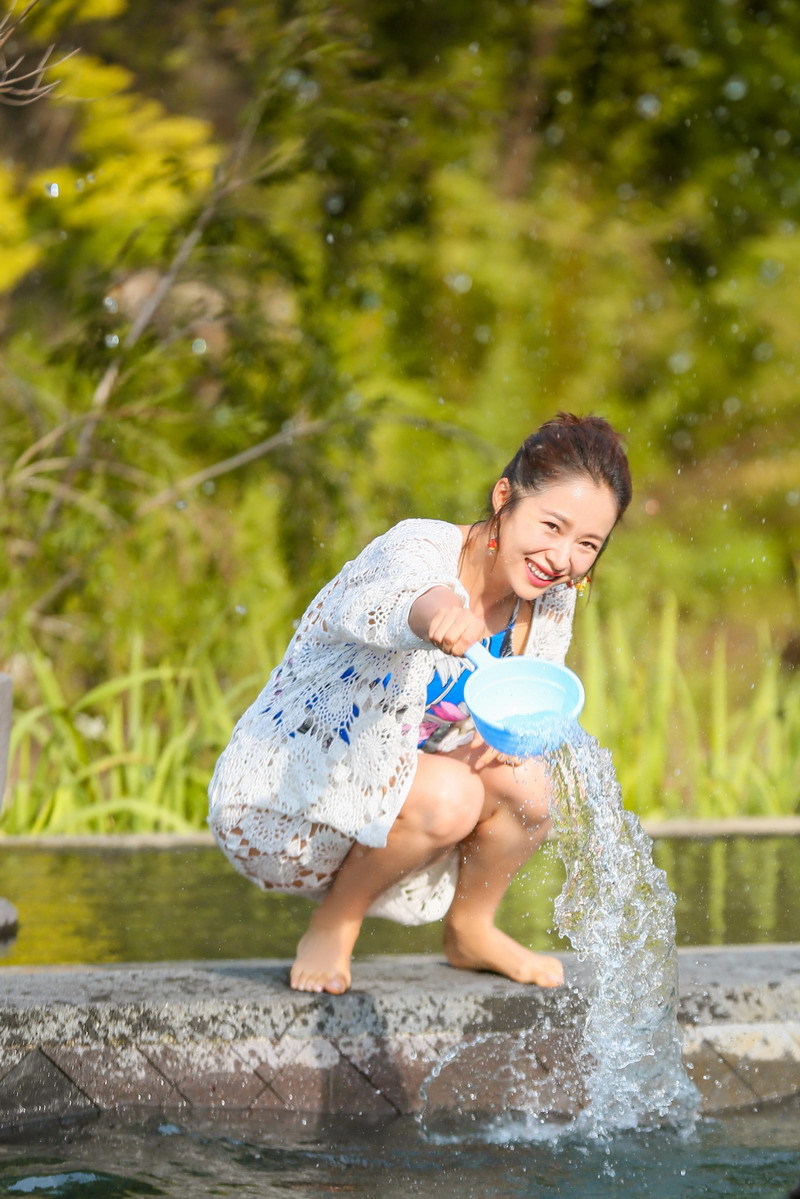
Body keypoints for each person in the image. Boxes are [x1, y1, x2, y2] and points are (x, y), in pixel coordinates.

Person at [208, 412, 632, 995]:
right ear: (504, 498)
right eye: (551, 525)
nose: (562, 558)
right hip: (293, 794)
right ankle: (335, 923)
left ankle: (471, 929)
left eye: (586, 544)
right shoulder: (422, 545)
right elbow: (398, 594)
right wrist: (437, 614)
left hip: (403, 802)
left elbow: (519, 710)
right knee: (453, 796)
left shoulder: (548, 602)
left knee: (536, 786)